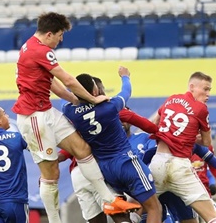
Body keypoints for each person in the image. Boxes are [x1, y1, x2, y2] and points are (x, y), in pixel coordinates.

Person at [12, 12, 138, 222]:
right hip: (33, 117)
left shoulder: (29, 47)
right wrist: (91, 98)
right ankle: (54, 220)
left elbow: (52, 83)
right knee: (51, 173)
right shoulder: (42, 51)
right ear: (50, 34)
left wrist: (74, 100)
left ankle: (109, 199)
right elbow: (68, 79)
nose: (61, 40)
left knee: (83, 149)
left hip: (46, 111)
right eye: (60, 35)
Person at [63, 69, 163, 223]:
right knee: (154, 207)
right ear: (96, 90)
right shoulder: (110, 107)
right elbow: (126, 91)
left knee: (121, 213)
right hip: (125, 161)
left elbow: (65, 97)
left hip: (104, 170)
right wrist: (125, 76)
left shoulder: (69, 111)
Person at [149, 71, 216, 223]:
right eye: (205, 89)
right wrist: (190, 139)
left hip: (157, 163)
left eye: (209, 90)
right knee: (213, 216)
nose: (208, 94)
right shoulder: (201, 109)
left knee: (140, 210)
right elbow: (207, 142)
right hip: (179, 166)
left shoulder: (171, 99)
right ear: (192, 87)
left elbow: (154, 125)